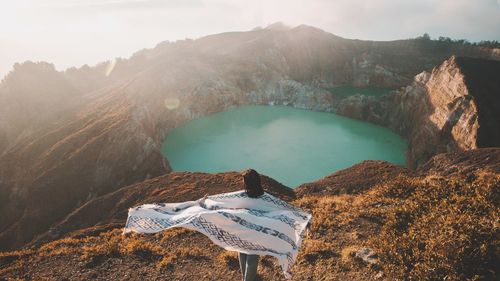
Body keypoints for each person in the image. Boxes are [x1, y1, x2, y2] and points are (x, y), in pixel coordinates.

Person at [238, 169, 264, 281]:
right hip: (256, 233)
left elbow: (223, 203)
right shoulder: (266, 197)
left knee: (243, 253)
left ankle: (246, 278)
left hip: (242, 231)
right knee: (252, 258)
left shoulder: (239, 197)